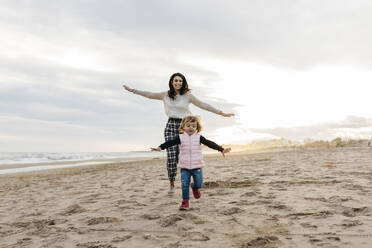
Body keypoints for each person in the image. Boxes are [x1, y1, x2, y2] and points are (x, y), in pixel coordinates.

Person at [123, 72, 234, 195]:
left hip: (186, 126)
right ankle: (171, 183)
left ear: (183, 82)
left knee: (184, 155)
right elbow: (149, 94)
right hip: (171, 125)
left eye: (180, 81)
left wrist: (222, 113)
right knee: (171, 156)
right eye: (176, 80)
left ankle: (192, 183)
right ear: (172, 82)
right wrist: (132, 90)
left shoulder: (188, 96)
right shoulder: (165, 95)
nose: (178, 82)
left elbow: (204, 106)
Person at [151, 115, 231, 210]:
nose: (191, 128)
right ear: (183, 127)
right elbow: (170, 143)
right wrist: (160, 148)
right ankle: (185, 202)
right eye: (188, 126)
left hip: (197, 166)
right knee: (184, 184)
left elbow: (209, 143)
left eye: (193, 126)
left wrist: (221, 149)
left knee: (199, 184)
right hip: (184, 167)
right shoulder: (180, 138)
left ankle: (194, 187)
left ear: (197, 127)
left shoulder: (199, 137)